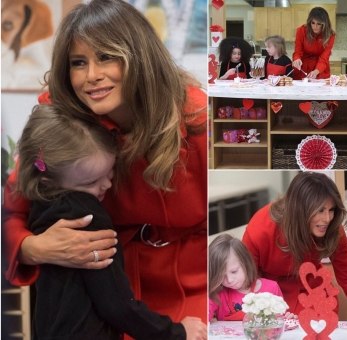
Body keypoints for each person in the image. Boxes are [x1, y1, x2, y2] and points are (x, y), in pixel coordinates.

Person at [2, 0, 209, 334]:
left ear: (139, 56)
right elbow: (11, 213)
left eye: (107, 56)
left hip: (196, 280)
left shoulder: (199, 118)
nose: (92, 75)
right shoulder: (58, 119)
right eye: (78, 62)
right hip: (107, 290)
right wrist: (34, 248)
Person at [15, 105, 205, 340]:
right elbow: (117, 306)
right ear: (50, 179)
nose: (105, 185)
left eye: (109, 173)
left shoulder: (42, 201)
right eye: (91, 182)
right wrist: (177, 332)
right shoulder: (87, 218)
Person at [242, 172, 347, 314]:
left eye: (331, 210)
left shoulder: (332, 228)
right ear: (300, 209)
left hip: (315, 295)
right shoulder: (259, 230)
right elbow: (245, 287)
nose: (327, 218)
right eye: (320, 210)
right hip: (267, 299)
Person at [208, 234, 284, 322]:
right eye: (221, 276)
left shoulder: (271, 288)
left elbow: (282, 321)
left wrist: (289, 318)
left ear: (246, 263)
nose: (229, 280)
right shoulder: (218, 295)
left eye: (234, 271)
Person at [292, 7, 335, 80]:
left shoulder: (330, 35)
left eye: (319, 24)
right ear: (309, 22)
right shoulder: (301, 31)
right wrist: (297, 59)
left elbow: (324, 57)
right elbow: (298, 51)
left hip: (320, 69)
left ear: (324, 24)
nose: (315, 27)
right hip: (303, 67)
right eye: (313, 23)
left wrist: (316, 71)